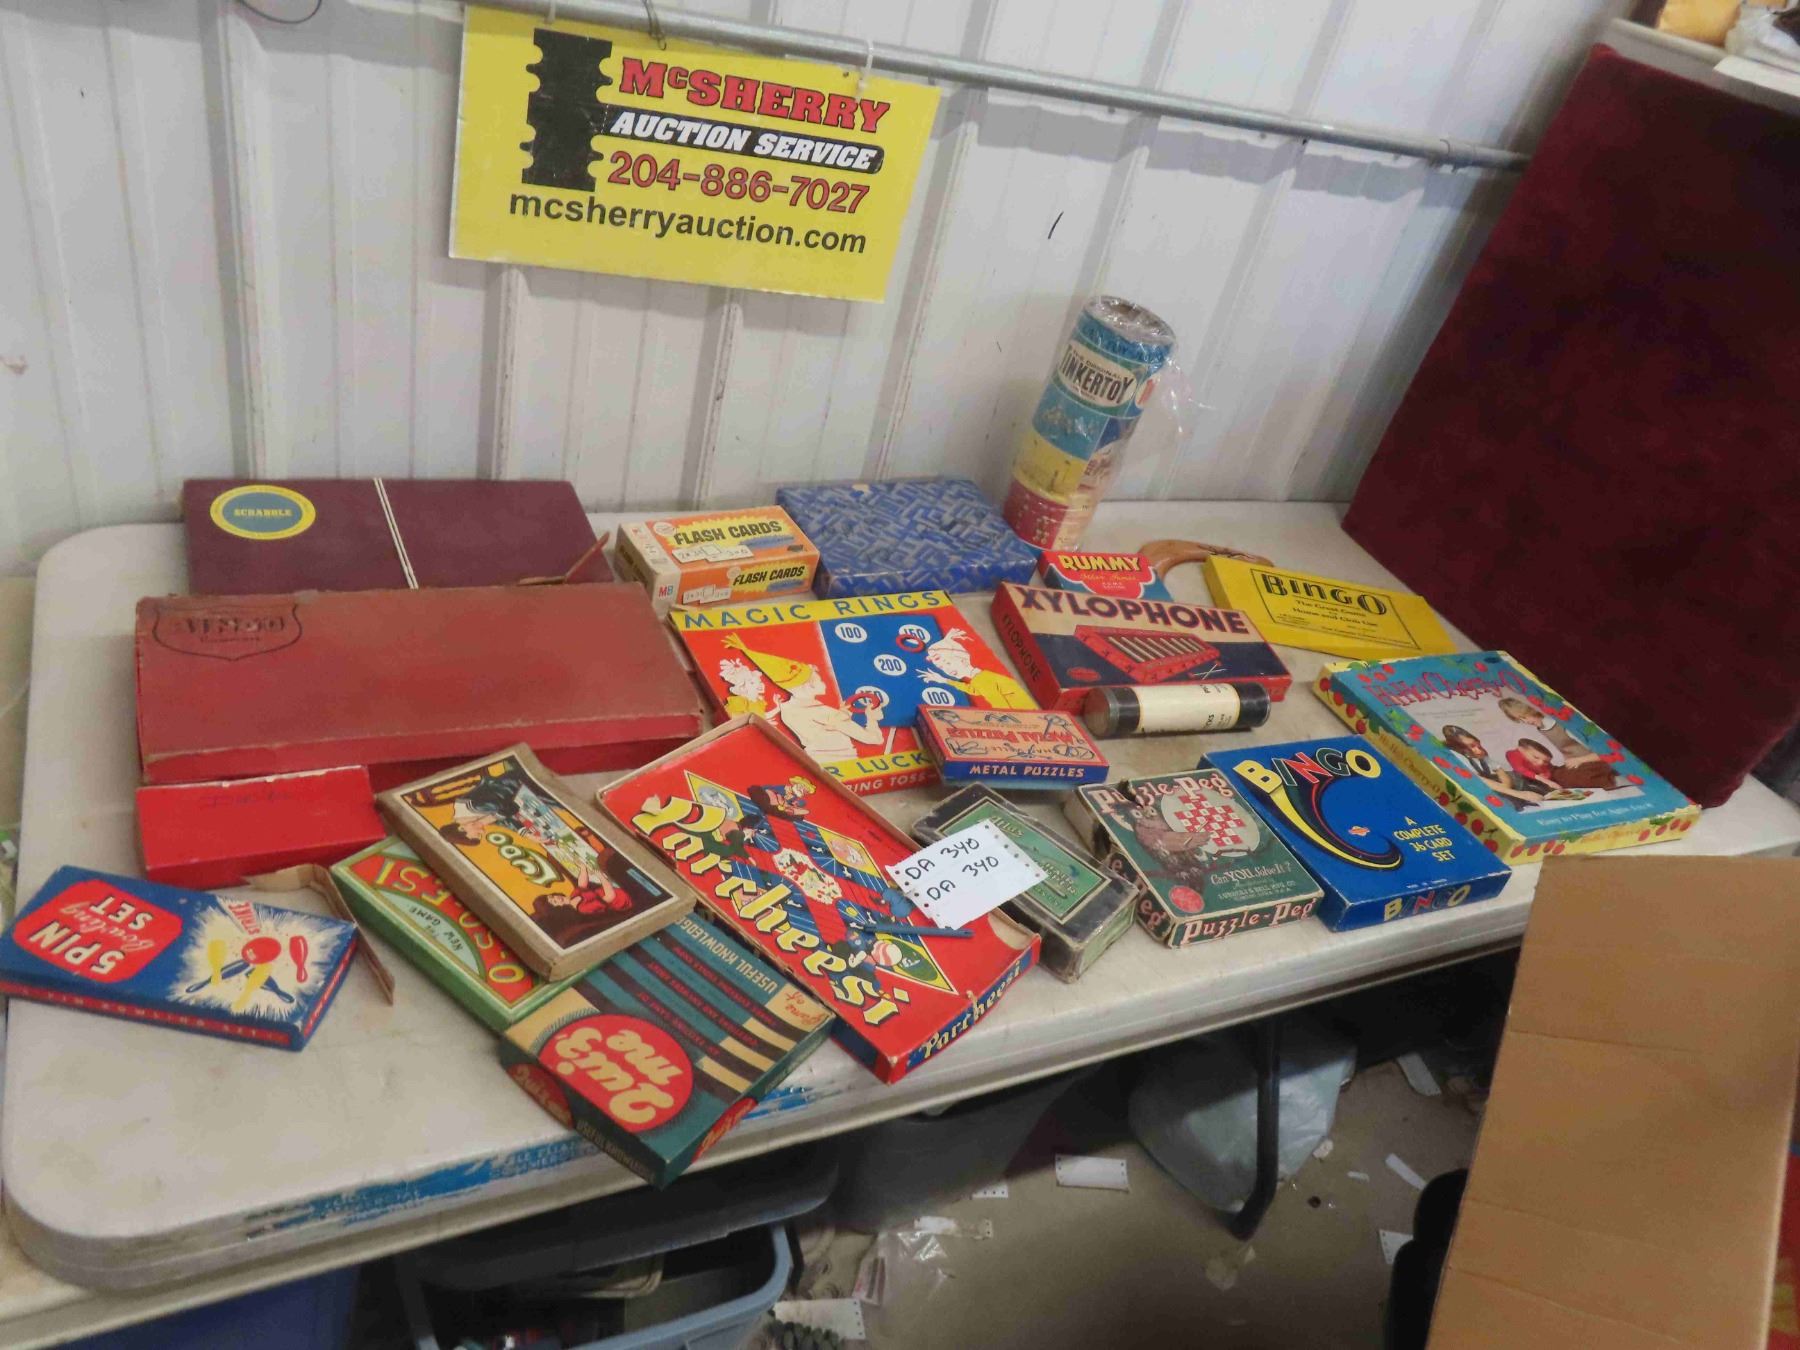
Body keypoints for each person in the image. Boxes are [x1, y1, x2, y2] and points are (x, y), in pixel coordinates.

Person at [919, 627, 1033, 708]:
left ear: (963, 659)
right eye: (941, 667)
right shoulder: (981, 677)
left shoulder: (982, 679)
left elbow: (1002, 709)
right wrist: (944, 680)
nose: (947, 669)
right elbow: (973, 690)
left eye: (948, 663)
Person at [1438, 725, 1547, 808]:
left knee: (1515, 777)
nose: (1478, 749)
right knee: (1507, 802)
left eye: (1478, 744)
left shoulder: (1480, 753)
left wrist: (1506, 786)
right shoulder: (1456, 757)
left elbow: (1500, 772)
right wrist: (1519, 794)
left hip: (1496, 784)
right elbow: (1478, 780)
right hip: (1475, 786)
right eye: (1472, 746)